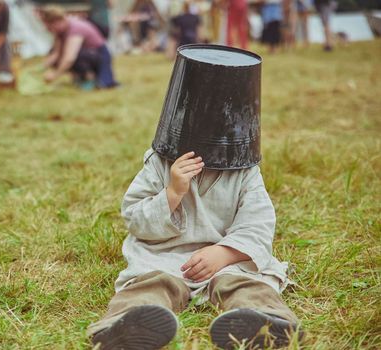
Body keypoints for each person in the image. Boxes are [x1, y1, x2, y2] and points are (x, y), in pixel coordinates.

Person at [87, 45, 303, 350]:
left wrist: (225, 253)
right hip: (164, 257)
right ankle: (127, 325)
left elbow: (258, 224)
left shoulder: (244, 172)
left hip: (228, 262)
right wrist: (172, 193)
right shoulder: (160, 163)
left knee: (245, 284)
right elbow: (135, 218)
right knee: (151, 284)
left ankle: (265, 321)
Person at [40, 6, 118, 89]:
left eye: (49, 27)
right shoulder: (60, 31)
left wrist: (55, 75)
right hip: (88, 54)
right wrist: (39, 68)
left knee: (75, 55)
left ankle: (89, 78)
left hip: (100, 55)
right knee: (55, 53)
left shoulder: (75, 29)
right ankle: (79, 77)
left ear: (57, 22)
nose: (48, 30)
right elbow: (55, 54)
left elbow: (69, 58)